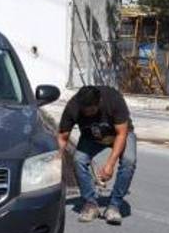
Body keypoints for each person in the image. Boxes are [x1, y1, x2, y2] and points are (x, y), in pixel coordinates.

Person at [56, 85, 137, 225]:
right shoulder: (73, 107)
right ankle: (90, 204)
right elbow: (63, 137)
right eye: (85, 111)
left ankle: (114, 206)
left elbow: (122, 133)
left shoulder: (113, 99)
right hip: (92, 137)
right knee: (78, 160)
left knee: (129, 161)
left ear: (99, 102)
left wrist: (110, 164)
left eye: (92, 110)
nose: (88, 114)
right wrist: (55, 160)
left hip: (118, 135)